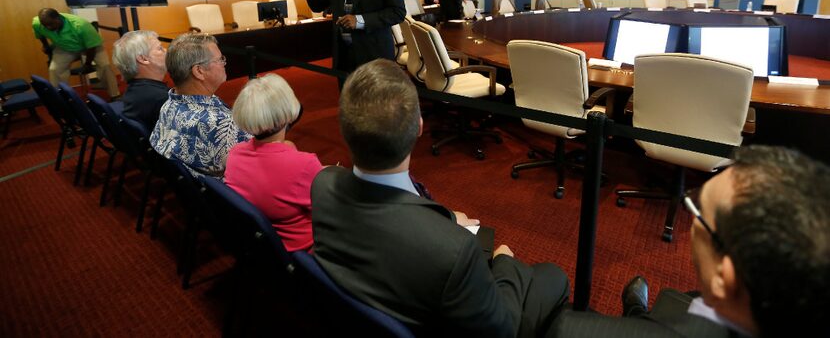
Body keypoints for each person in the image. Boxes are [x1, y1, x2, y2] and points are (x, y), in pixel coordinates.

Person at [312, 59, 570, 337]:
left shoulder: (323, 185)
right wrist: (504, 263)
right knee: (553, 275)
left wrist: (444, 220)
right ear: (420, 127)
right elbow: (501, 328)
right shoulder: (454, 250)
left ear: (343, 128)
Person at [549, 145, 830, 337]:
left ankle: (637, 315)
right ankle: (637, 312)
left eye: (698, 211)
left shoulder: (571, 331)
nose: (693, 218)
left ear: (725, 279)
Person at [224, 74, 321, 253]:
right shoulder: (305, 164)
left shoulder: (235, 154)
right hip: (303, 251)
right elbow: (328, 210)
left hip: (262, 247)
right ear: (288, 111)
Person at [150, 33, 251, 177]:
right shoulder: (220, 124)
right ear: (199, 71)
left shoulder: (169, 105)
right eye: (220, 59)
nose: (224, 63)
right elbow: (260, 164)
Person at [33, 8, 120, 98]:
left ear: (58, 18)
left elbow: (92, 47)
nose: (48, 28)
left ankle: (114, 94)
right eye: (45, 25)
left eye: (51, 24)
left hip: (88, 47)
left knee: (104, 65)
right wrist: (45, 45)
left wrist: (87, 64)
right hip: (65, 47)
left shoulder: (81, 25)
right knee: (54, 69)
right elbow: (40, 34)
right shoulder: (37, 23)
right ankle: (60, 97)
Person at [112, 30, 169, 131]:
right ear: (143, 59)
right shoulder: (161, 98)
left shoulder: (135, 89)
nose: (166, 51)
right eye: (160, 48)